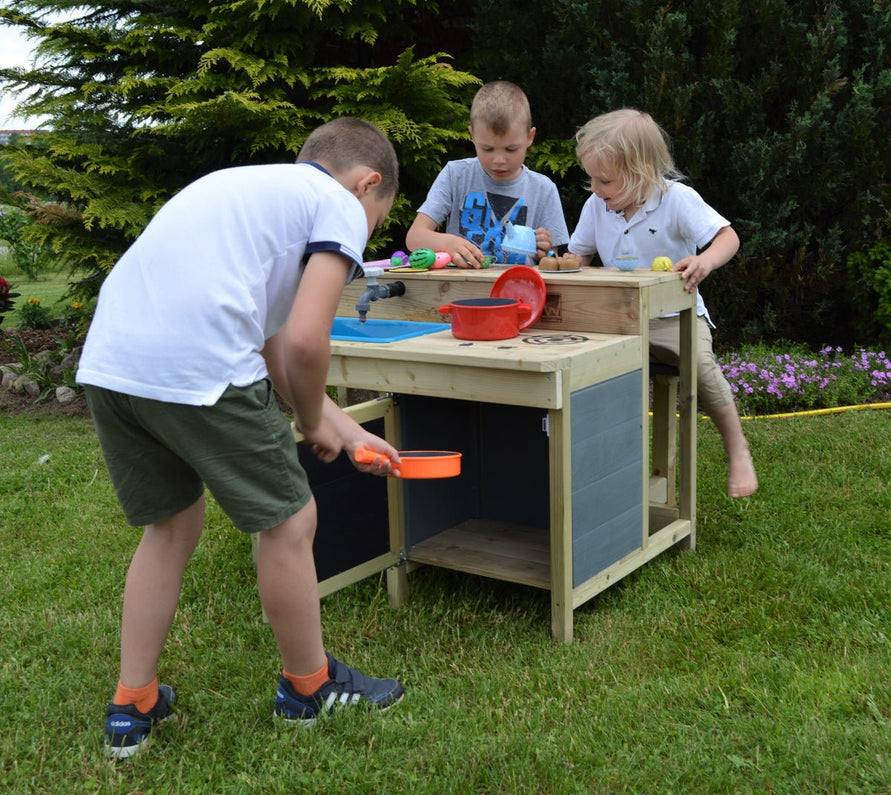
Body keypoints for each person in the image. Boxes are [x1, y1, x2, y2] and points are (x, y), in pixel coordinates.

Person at [76, 117, 406, 759]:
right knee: (290, 520)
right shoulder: (336, 204)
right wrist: (311, 422)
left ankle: (133, 703)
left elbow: (276, 343)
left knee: (171, 525)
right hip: (199, 361)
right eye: (378, 219)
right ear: (368, 185)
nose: (364, 234)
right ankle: (308, 688)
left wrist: (339, 423)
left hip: (114, 364)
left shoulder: (249, 192)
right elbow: (311, 340)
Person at [568, 108, 758, 499]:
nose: (596, 188)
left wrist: (705, 261)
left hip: (675, 317)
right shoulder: (596, 207)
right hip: (618, 321)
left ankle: (737, 447)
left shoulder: (676, 200)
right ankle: (603, 467)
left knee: (702, 368)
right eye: (592, 178)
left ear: (642, 173)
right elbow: (579, 257)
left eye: (605, 180)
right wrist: (565, 263)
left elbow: (728, 237)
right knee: (584, 370)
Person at [406, 80, 569, 267]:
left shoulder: (543, 189)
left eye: (511, 149)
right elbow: (414, 237)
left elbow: (552, 263)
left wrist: (544, 252)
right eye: (487, 149)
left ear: (530, 137)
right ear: (472, 135)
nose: (499, 160)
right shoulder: (456, 175)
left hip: (518, 292)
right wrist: (448, 242)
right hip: (460, 290)